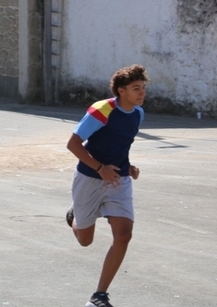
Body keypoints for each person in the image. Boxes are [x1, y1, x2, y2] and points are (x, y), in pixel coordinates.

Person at [65, 65, 148, 307]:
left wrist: (128, 165)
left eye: (143, 88)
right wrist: (100, 168)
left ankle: (99, 296)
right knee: (85, 240)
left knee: (123, 235)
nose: (141, 93)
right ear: (121, 90)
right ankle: (74, 219)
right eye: (136, 88)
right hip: (89, 178)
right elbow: (73, 144)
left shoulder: (138, 114)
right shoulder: (102, 110)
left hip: (118, 180)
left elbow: (120, 143)